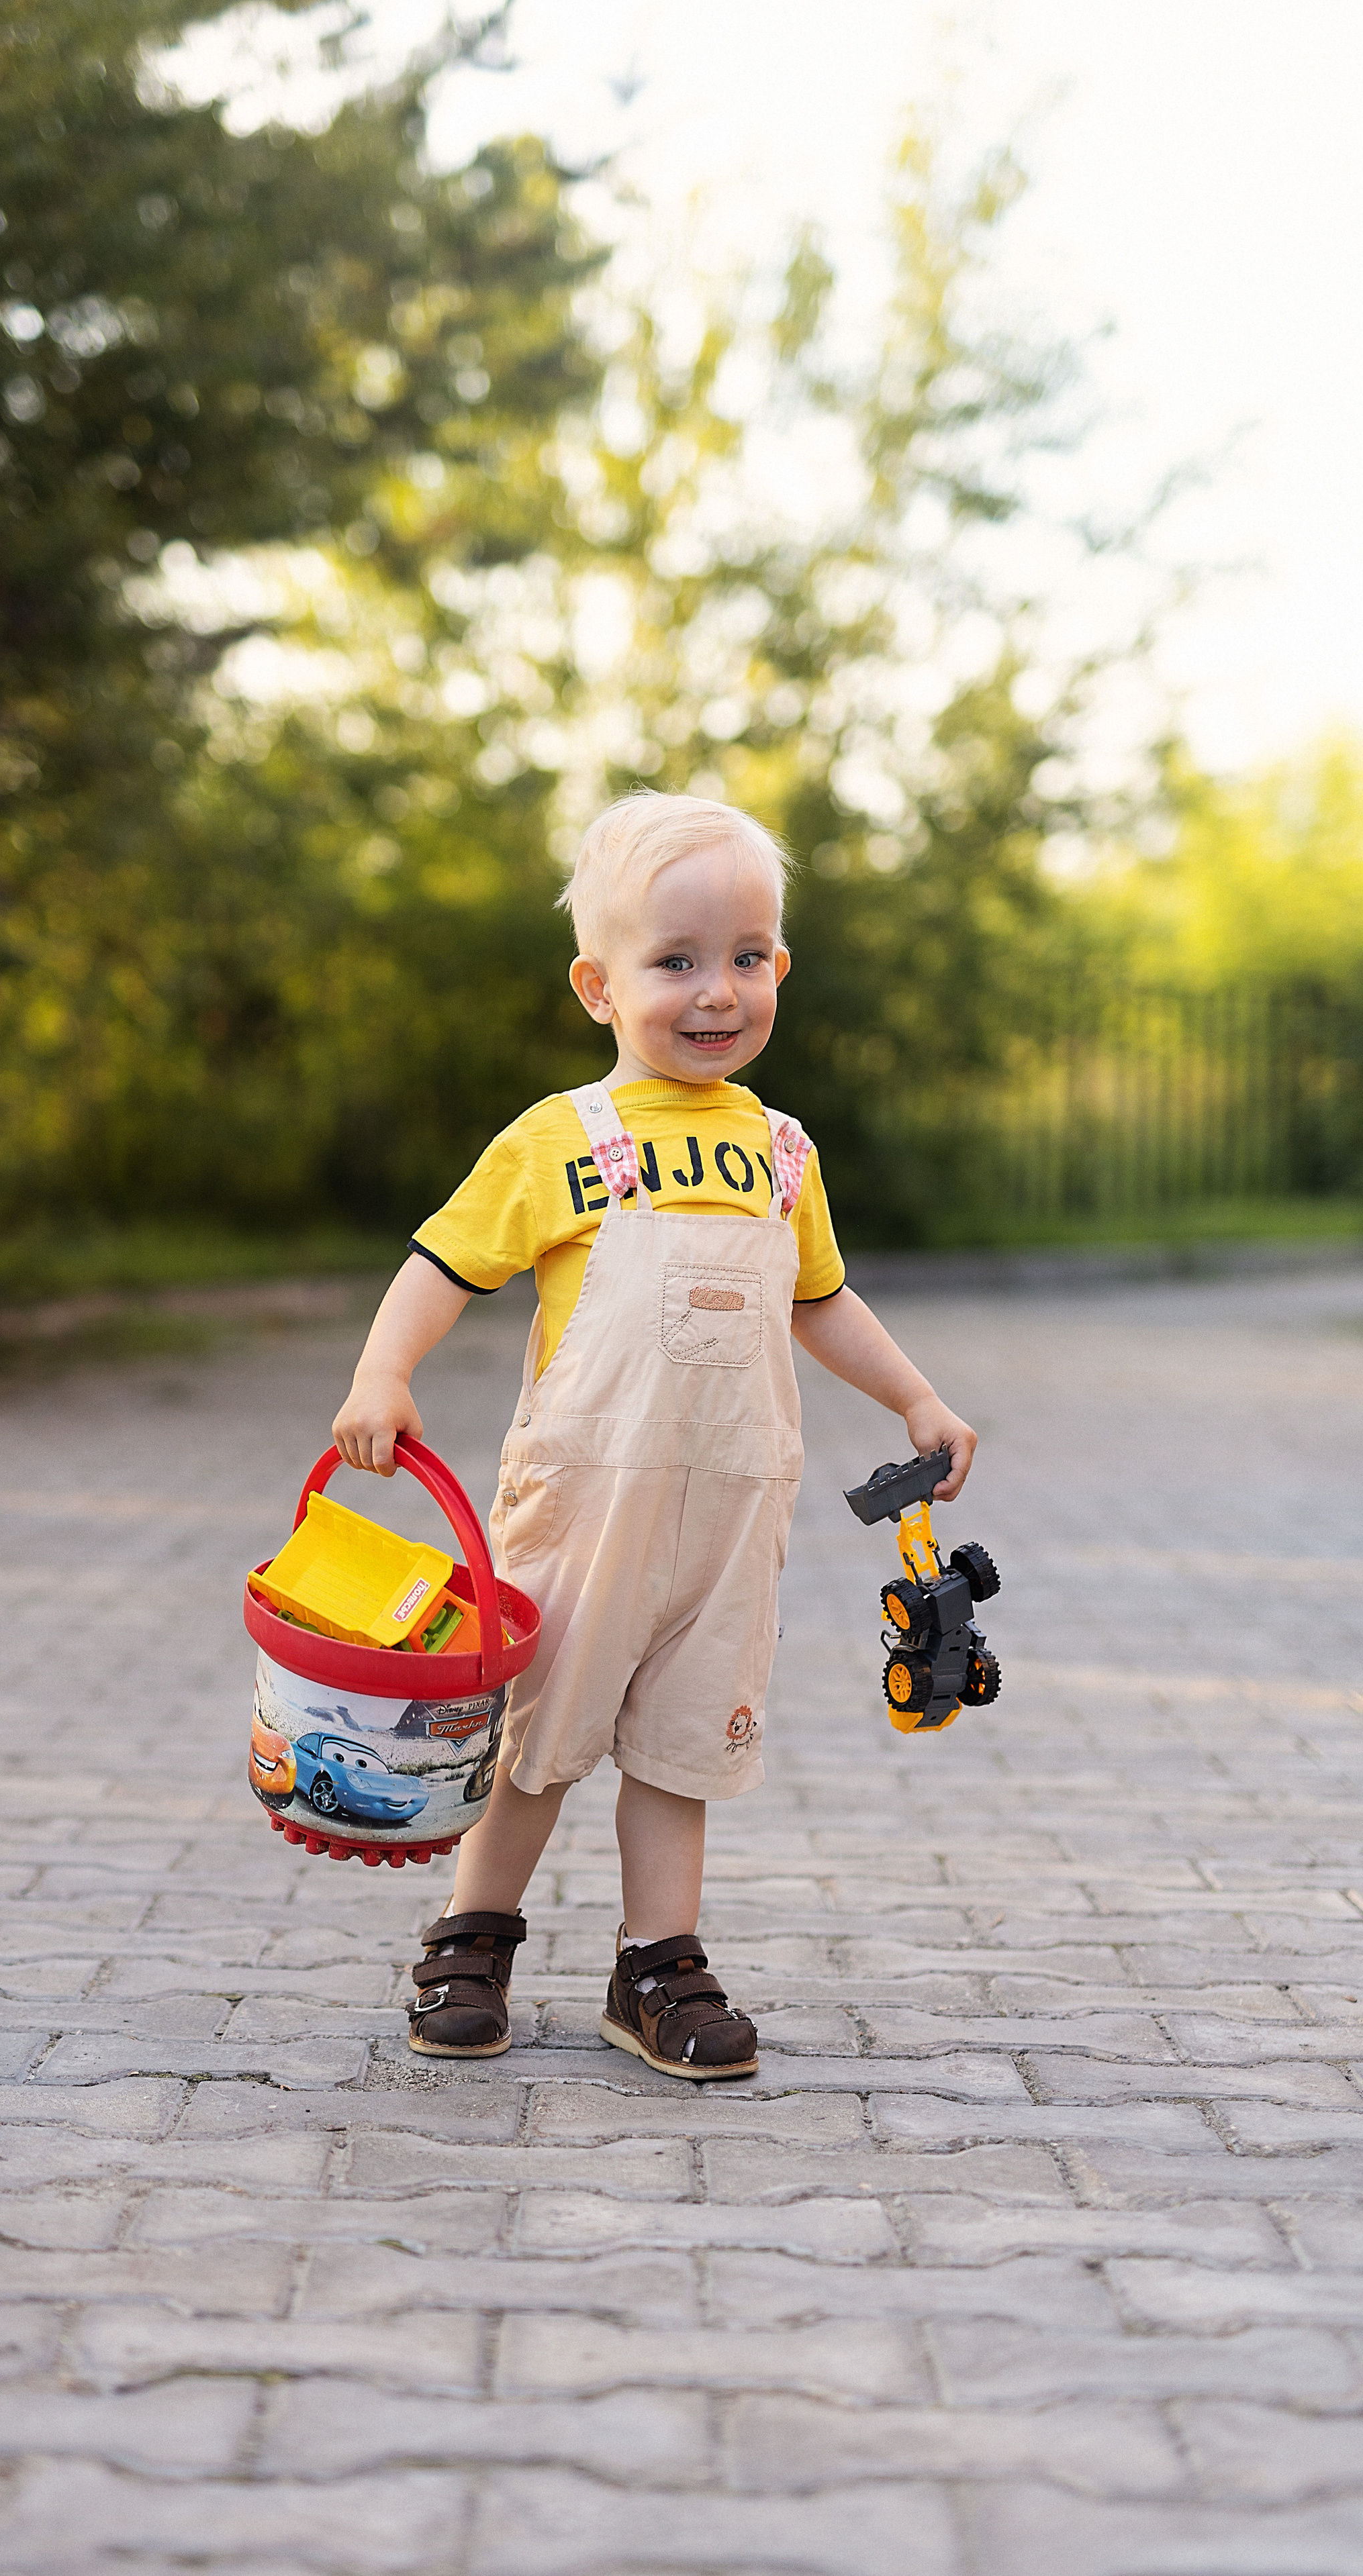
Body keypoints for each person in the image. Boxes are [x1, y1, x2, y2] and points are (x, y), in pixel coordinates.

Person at [332, 790, 976, 2080]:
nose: (716, 991)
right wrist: (382, 1375)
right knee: (540, 1736)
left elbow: (823, 1300)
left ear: (780, 967)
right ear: (599, 985)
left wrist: (915, 1396)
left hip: (730, 1515)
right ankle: (473, 1934)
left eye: (746, 957)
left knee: (684, 1744)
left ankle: (657, 1965)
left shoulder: (783, 1154)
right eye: (675, 962)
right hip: (587, 1505)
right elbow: (442, 1262)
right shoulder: (561, 1140)